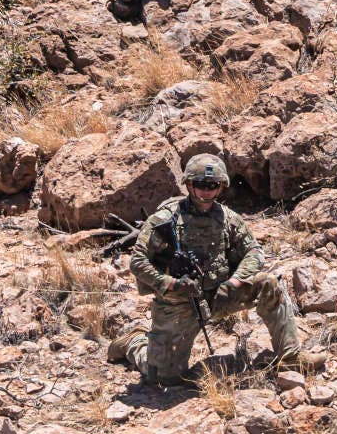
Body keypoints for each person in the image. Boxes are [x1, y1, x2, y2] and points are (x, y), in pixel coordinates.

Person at [112, 155, 305, 386]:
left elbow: (254, 252)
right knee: (164, 379)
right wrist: (170, 283)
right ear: (189, 185)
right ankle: (135, 343)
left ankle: (291, 357)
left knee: (268, 283)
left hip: (221, 295)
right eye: (201, 185)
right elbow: (138, 261)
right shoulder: (165, 220)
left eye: (212, 186)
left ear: (221, 186)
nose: (206, 192)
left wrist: (234, 282)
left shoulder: (228, 218)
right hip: (180, 302)